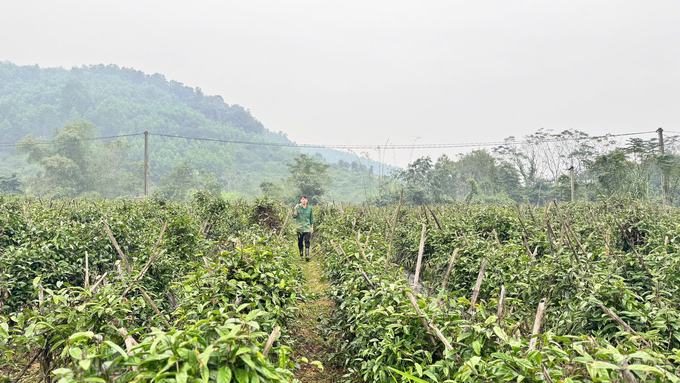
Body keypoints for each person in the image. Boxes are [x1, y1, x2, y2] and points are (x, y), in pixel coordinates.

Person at [293, 196, 314, 261]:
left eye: (305, 199)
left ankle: (307, 256)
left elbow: (311, 219)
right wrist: (296, 209)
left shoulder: (310, 208)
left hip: (307, 228)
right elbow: (294, 216)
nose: (304, 200)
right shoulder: (298, 207)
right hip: (299, 228)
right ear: (301, 201)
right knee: (300, 242)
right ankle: (301, 254)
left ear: (307, 201)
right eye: (303, 199)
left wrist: (312, 228)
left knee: (307, 241)